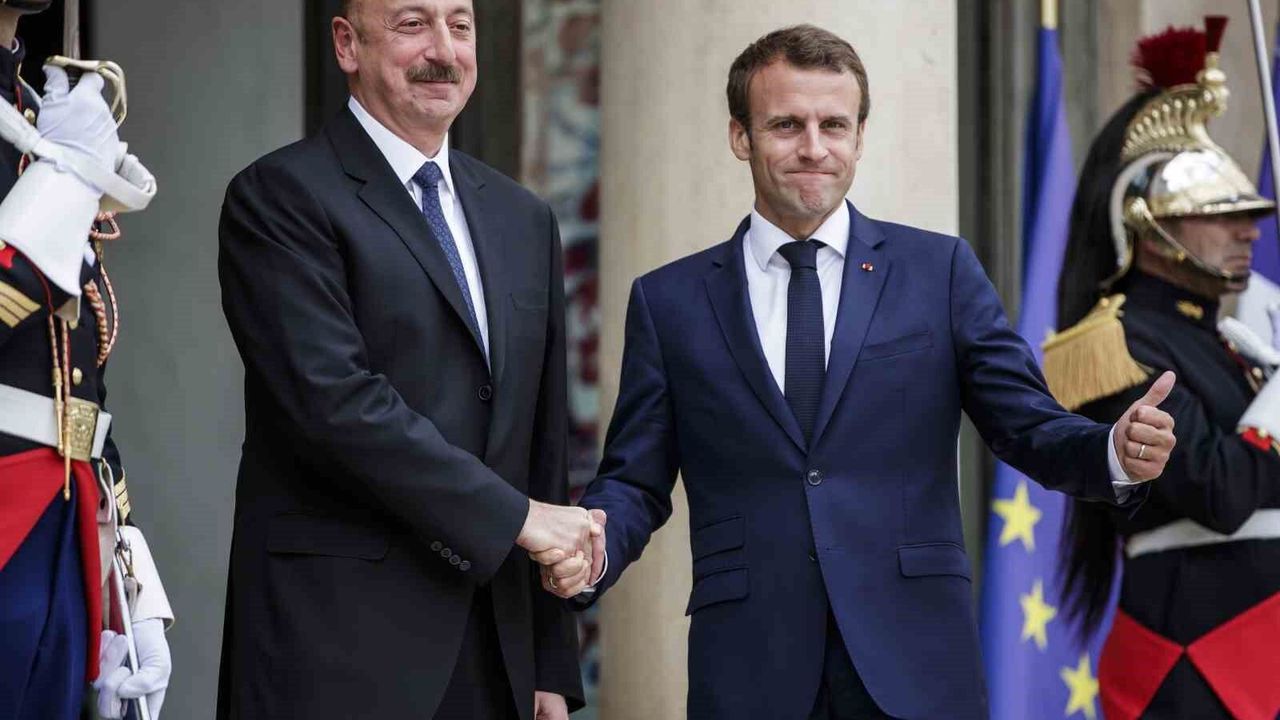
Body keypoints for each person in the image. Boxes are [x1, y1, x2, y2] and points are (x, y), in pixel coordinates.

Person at [542, 24, 1178, 720]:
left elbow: (1026, 425)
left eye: (834, 125)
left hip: (916, 665)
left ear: (860, 136)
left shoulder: (940, 271)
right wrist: (593, 547)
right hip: (750, 670)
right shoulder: (670, 301)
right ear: (740, 137)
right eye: (786, 125)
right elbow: (635, 479)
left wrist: (1111, 452)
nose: (814, 148)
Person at [215, 1, 599, 718]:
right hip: (335, 646)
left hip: (494, 650)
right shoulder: (280, 197)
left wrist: (549, 660)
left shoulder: (523, 218)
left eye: (461, 25)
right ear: (346, 44)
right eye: (413, 24)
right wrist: (516, 518)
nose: (445, 51)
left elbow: (539, 443)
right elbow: (334, 404)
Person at [1051, 19, 1280, 720]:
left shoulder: (1233, 343)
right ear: (1149, 226)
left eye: (1247, 213)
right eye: (1220, 214)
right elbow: (1220, 492)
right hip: (1197, 660)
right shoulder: (1113, 343)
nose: (1248, 231)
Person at [0, 2, 173, 719]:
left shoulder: (33, 113)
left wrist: (130, 579)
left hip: (63, 538)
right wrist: (65, 182)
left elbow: (74, 383)